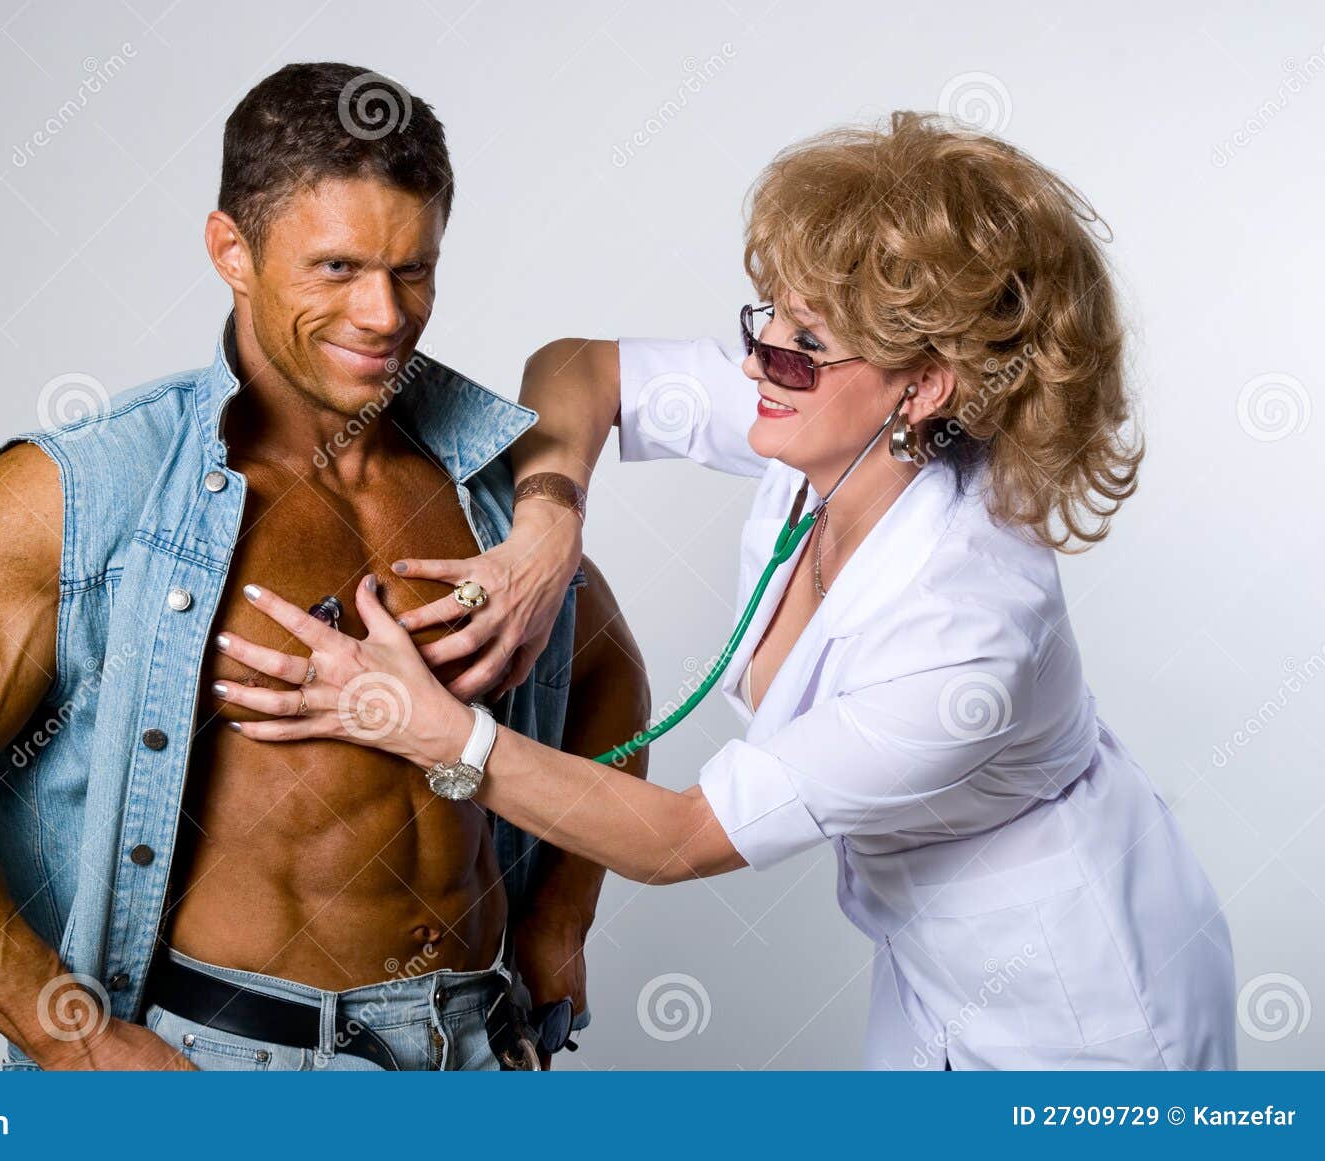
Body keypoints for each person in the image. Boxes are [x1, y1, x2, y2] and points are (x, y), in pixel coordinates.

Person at [216, 111, 1238, 1069]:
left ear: (923, 387)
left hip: (1081, 997)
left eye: (803, 348)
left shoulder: (969, 634)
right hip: (926, 960)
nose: (759, 364)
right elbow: (579, 367)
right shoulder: (822, 426)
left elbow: (677, 840)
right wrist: (547, 524)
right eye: (767, 321)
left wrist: (425, 728)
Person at [0, 62, 649, 1072]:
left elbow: (604, 680)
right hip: (227, 1066)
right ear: (231, 252)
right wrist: (67, 1038)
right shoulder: (91, 493)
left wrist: (561, 917)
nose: (383, 315)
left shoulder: (485, 481)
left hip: (475, 1043)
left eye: (412, 270)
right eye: (336, 269)